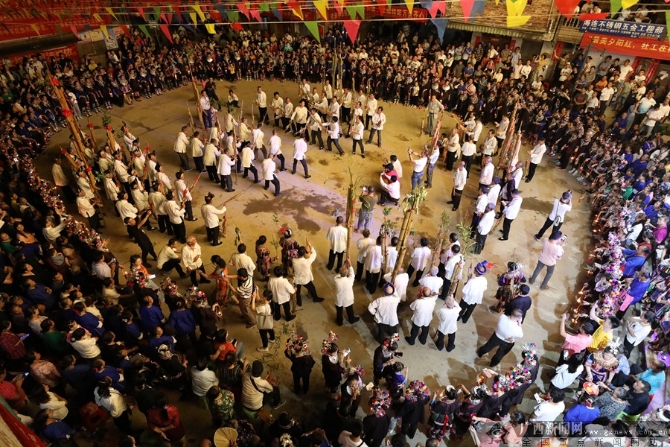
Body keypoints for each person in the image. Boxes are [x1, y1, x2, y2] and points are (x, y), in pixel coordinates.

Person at [334, 258, 359, 326]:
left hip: (339, 299)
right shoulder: (350, 280)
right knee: (350, 310)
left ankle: (339, 322)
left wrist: (344, 265)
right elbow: (352, 273)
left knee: (339, 311)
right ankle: (351, 319)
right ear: (347, 273)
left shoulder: (336, 280)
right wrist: (349, 263)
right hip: (348, 298)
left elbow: (340, 274)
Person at [251, 287, 275, 352]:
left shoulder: (262, 307)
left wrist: (253, 298)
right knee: (270, 328)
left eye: (263, 296)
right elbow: (259, 299)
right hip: (269, 320)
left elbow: (253, 308)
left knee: (263, 335)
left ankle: (265, 347)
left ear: (265, 298)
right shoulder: (269, 301)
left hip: (263, 322)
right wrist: (257, 291)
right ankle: (272, 338)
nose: (261, 297)